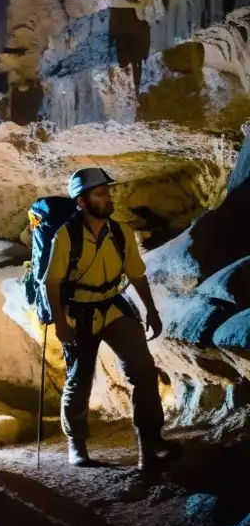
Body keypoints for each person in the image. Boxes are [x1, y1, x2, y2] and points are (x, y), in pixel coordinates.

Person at [41, 167, 181, 469]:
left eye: (108, 192)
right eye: (100, 193)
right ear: (81, 201)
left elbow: (136, 274)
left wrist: (151, 310)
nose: (108, 198)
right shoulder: (66, 237)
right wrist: (61, 324)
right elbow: (51, 283)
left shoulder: (120, 232)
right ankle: (76, 444)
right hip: (79, 312)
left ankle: (150, 441)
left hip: (114, 307)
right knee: (79, 380)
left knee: (142, 370)